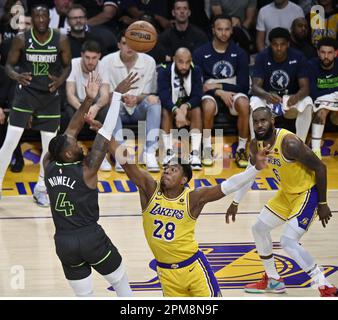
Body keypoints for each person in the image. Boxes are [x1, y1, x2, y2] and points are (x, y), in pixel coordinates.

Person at [85, 114, 270, 297]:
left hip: (194, 270)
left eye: (173, 170)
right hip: (166, 273)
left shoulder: (193, 198)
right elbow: (127, 162)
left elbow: (227, 186)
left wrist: (255, 169)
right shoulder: (150, 189)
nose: (166, 171)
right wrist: (105, 132)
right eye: (166, 168)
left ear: (183, 180)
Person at [225, 106, 338, 297]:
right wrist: (236, 202)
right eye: (256, 121)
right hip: (286, 194)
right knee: (258, 228)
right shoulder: (255, 145)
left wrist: (323, 203)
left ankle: (324, 285)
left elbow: (320, 167)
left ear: (273, 121)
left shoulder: (289, 143)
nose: (259, 125)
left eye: (263, 120)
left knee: (287, 241)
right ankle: (273, 280)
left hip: (307, 194)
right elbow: (249, 175)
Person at [44, 72, 138, 297]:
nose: (78, 144)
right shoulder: (86, 171)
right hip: (90, 238)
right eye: (75, 145)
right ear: (68, 153)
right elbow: (105, 134)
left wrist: (88, 100)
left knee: (84, 296)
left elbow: (71, 130)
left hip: (64, 242)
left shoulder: (48, 165)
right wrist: (115, 96)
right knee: (121, 285)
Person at [0, 4, 71, 205]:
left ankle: (41, 189)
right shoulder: (22, 38)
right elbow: (9, 65)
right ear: (31, 18)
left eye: (44, 16)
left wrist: (60, 80)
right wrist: (16, 75)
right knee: (10, 142)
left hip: (50, 96)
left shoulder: (61, 39)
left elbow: (68, 66)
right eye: (37, 16)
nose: (41, 20)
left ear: (49, 19)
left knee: (49, 146)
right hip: (26, 95)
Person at [193, 15, 250, 168]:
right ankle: (206, 147)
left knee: (244, 104)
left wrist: (219, 87)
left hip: (232, 92)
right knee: (208, 106)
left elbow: (243, 86)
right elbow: (199, 86)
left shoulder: (240, 53)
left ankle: (242, 149)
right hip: (211, 95)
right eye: (219, 29)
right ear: (213, 30)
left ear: (232, 31)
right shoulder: (200, 53)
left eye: (227, 29)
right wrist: (217, 92)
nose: (223, 33)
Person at [101, 31, 161, 173]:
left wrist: (137, 98)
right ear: (118, 45)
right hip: (118, 107)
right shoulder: (106, 61)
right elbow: (104, 92)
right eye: (124, 43)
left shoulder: (149, 61)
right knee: (111, 103)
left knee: (155, 101)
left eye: (133, 43)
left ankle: (149, 152)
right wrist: (120, 97)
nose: (129, 47)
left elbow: (149, 92)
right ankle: (121, 155)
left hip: (138, 106)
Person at [250, 27, 313, 143]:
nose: (279, 48)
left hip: (290, 100)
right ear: (270, 44)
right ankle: (257, 145)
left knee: (308, 101)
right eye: (275, 44)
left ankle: (300, 145)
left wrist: (297, 97)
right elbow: (255, 87)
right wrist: (266, 95)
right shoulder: (262, 57)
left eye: (282, 44)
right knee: (254, 101)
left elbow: (305, 87)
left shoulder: (298, 57)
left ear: (288, 44)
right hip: (269, 99)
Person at [66, 40, 111, 171]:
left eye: (94, 58)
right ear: (82, 55)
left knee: (105, 111)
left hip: (94, 104)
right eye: (87, 57)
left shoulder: (103, 66)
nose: (90, 61)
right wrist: (83, 109)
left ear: (99, 57)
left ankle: (101, 156)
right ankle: (70, 154)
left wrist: (95, 107)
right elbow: (70, 95)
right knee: (69, 114)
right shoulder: (73, 64)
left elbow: (104, 96)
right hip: (77, 104)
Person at [158, 47, 203, 170]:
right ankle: (168, 153)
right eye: (180, 62)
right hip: (171, 107)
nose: (184, 66)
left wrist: (184, 107)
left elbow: (198, 95)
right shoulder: (164, 71)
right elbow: (163, 96)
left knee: (197, 110)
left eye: (187, 62)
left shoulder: (196, 71)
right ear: (174, 60)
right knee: (165, 111)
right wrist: (177, 110)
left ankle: (195, 154)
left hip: (187, 107)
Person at [309, 37, 338, 159]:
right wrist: (334, 94)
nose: (326, 56)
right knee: (322, 111)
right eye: (323, 52)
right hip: (319, 104)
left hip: (331, 103)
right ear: (318, 53)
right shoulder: (310, 65)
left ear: (336, 53)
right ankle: (315, 151)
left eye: (330, 52)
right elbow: (313, 92)